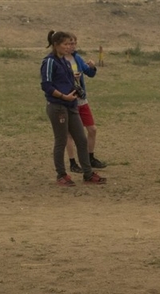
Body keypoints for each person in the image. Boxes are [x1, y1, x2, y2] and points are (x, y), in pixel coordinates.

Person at [40, 30, 106, 186]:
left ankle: (88, 174)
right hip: (57, 106)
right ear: (56, 45)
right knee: (61, 140)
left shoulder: (65, 60)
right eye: (65, 44)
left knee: (81, 140)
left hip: (72, 105)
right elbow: (46, 86)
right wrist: (64, 96)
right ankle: (61, 175)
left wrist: (75, 91)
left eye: (70, 44)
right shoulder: (49, 62)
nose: (69, 47)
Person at [64, 35, 107, 174]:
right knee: (69, 134)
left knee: (92, 129)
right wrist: (71, 76)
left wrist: (92, 67)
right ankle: (73, 162)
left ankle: (90, 158)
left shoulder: (77, 58)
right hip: (68, 100)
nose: (72, 46)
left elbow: (89, 73)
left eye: (74, 43)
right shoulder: (59, 60)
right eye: (69, 43)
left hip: (81, 99)